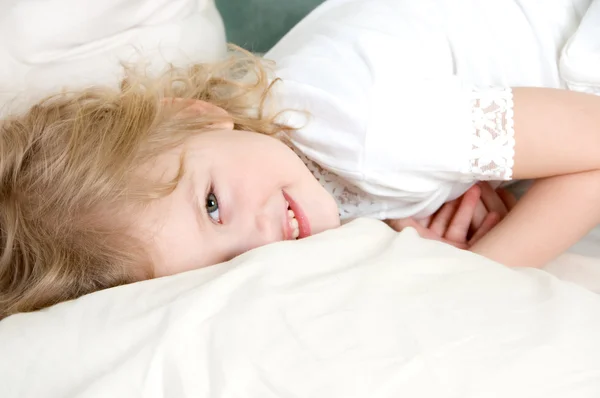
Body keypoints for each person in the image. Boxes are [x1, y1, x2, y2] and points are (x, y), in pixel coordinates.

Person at [1, 0, 598, 318]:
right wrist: (413, 227)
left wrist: (472, 274)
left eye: (212, 205)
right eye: (227, 268)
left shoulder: (360, 125)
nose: (263, 242)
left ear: (195, 115)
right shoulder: (280, 170)